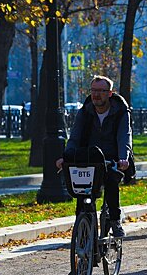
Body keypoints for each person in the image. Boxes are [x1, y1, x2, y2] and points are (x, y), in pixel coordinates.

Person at [56, 75, 131, 238]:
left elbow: (124, 135)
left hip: (112, 158)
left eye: (101, 91)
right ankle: (81, 227)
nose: (96, 95)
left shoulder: (120, 111)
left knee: (111, 181)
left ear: (110, 93)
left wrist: (123, 157)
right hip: (89, 157)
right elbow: (75, 137)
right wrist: (66, 157)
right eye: (94, 91)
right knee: (83, 190)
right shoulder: (86, 111)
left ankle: (115, 220)